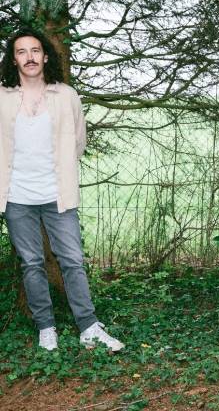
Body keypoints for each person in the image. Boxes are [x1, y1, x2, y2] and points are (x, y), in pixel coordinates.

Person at [0, 28, 124, 352]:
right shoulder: (1, 96)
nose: (30, 57)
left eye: (35, 50)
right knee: (31, 263)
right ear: (13, 59)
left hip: (59, 195)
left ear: (45, 56)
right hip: (17, 198)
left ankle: (88, 327)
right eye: (22, 51)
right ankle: (46, 328)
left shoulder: (65, 95)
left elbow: (78, 142)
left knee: (72, 261)